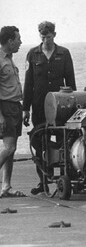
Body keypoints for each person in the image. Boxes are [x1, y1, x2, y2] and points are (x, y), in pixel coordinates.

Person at [23, 21, 77, 195]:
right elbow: (28, 83)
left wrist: (74, 106)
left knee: (66, 143)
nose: (45, 39)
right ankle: (43, 182)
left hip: (60, 107)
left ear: (55, 35)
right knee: (40, 145)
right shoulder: (32, 54)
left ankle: (67, 180)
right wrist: (25, 109)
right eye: (42, 36)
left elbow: (71, 82)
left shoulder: (64, 53)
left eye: (48, 36)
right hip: (39, 108)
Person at [0, 26, 26, 198]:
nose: (20, 42)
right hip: (5, 108)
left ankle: (6, 186)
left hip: (15, 107)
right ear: (10, 41)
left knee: (12, 148)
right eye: (18, 39)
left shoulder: (10, 59)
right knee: (9, 148)